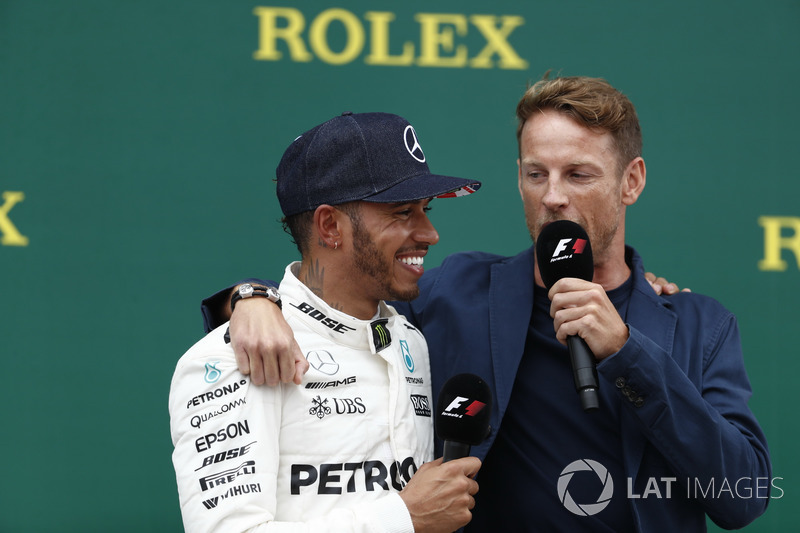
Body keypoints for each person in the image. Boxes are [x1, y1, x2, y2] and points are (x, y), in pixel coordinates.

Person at [201, 76, 771, 531]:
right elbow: (342, 298)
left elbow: (742, 496)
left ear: (631, 181)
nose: (553, 196)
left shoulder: (699, 324)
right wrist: (251, 296)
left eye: (578, 174)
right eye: (535, 174)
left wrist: (627, 351)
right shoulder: (459, 289)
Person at [169, 111, 484, 533]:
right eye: (403, 212)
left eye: (425, 210)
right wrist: (402, 518)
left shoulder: (410, 340)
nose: (430, 233)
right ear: (330, 226)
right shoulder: (236, 355)